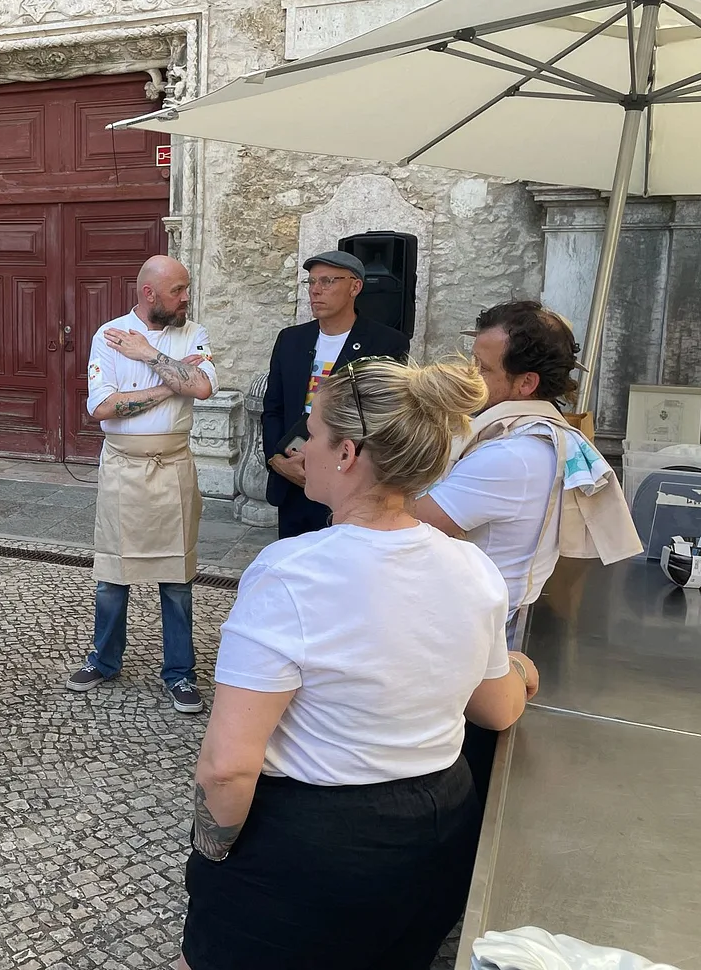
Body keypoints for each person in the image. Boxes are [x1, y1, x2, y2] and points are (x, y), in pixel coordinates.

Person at [179, 358, 540, 970]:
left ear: (346, 453)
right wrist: (520, 669)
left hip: (319, 840)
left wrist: (215, 851)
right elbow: (497, 707)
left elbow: (225, 767)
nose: (302, 448)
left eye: (313, 433)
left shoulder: (290, 573)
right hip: (438, 826)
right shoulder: (471, 567)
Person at [412, 300, 640, 650]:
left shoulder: (513, 454)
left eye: (482, 369)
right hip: (468, 617)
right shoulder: (521, 436)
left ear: (526, 383)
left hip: (469, 633)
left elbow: (406, 523)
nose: (469, 376)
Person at [65, 255, 217, 714]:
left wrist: (148, 355)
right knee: (113, 575)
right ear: (149, 293)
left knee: (178, 579)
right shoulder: (109, 335)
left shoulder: (193, 333)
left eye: (187, 288)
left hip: (173, 468)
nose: (186, 297)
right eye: (178, 290)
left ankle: (180, 673)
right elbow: (104, 407)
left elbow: (205, 387)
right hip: (124, 469)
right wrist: (173, 383)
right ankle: (105, 660)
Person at [262, 250, 410, 538]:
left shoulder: (386, 344)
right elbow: (273, 408)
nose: (316, 290)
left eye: (328, 281)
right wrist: (276, 459)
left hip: (348, 486)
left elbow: (382, 420)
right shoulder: (291, 339)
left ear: (355, 287)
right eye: (311, 282)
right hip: (294, 480)